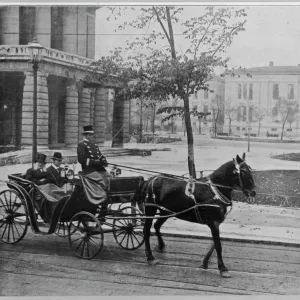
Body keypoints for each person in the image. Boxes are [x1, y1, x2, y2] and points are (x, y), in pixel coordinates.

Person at [76, 125, 111, 216]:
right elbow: (82, 160)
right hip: (89, 170)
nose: (92, 137)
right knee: (101, 179)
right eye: (90, 135)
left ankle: (108, 197)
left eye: (92, 135)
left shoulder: (95, 145)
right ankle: (102, 197)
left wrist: (104, 161)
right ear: (86, 135)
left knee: (110, 178)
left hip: (99, 169)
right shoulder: (81, 145)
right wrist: (94, 161)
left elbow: (100, 156)